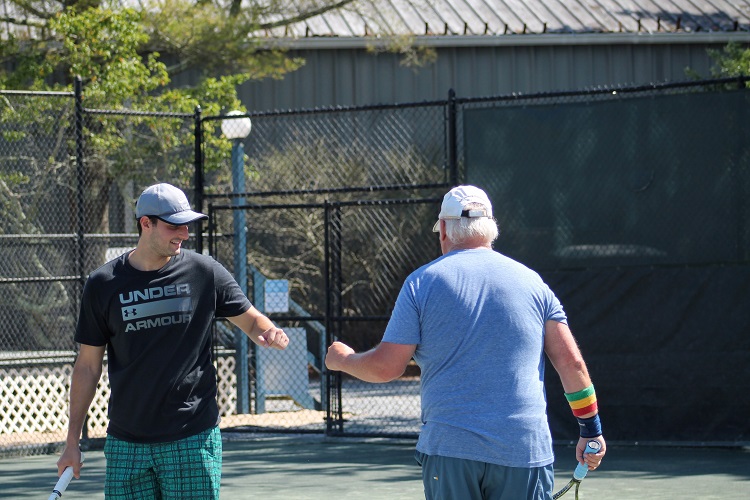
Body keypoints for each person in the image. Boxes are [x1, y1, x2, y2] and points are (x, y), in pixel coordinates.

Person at [325, 185, 606, 500]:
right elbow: (571, 364)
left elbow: (386, 368)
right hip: (524, 450)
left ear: (444, 229)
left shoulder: (421, 283)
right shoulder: (534, 284)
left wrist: (342, 359)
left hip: (450, 450)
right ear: (490, 228)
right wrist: (591, 430)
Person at [56, 182, 289, 499]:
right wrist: (72, 441)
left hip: (191, 439)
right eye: (174, 226)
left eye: (187, 225)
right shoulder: (102, 284)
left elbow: (251, 320)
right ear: (146, 223)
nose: (184, 234)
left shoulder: (205, 272)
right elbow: (87, 367)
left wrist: (268, 330)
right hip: (126, 445)